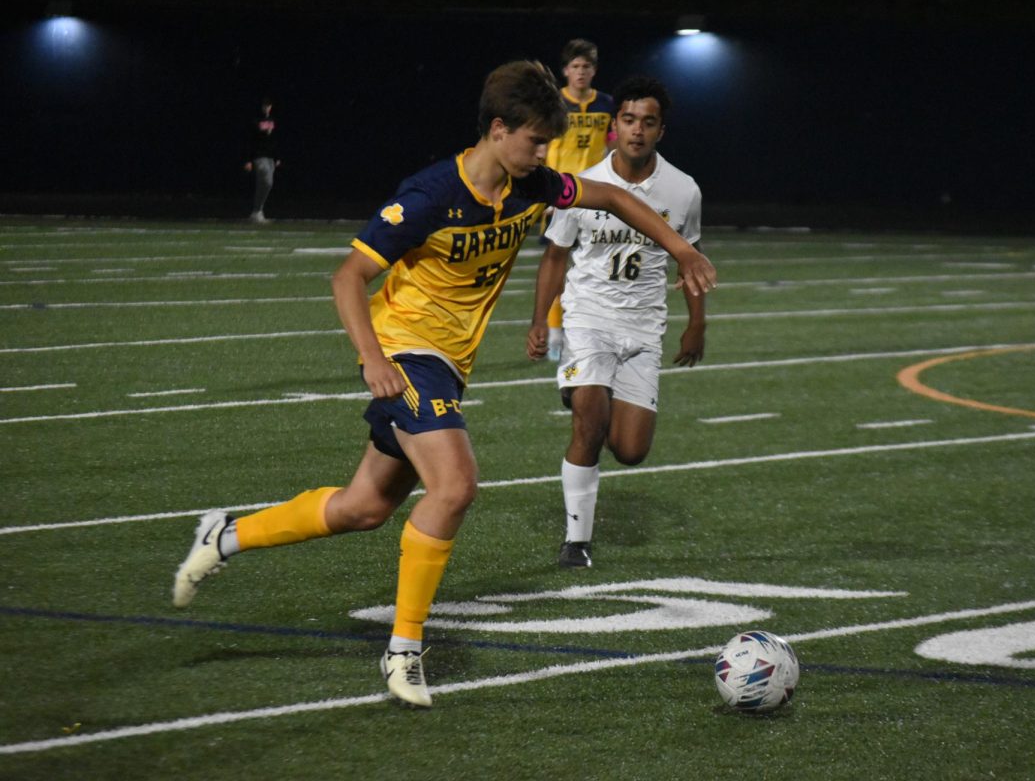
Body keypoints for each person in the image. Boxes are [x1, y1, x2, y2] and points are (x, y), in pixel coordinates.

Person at [173, 61, 716, 708]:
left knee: (363, 508)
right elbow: (348, 277)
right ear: (498, 129)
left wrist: (680, 250)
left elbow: (618, 199)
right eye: (535, 141)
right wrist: (373, 358)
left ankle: (225, 535)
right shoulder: (431, 195)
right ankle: (404, 650)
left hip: (449, 366)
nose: (543, 154)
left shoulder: (529, 184)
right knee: (455, 487)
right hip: (407, 354)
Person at [526, 76, 704, 570]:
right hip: (588, 319)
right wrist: (541, 320)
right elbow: (555, 256)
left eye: (648, 122)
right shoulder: (583, 183)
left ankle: (591, 399)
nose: (637, 131)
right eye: (628, 120)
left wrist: (697, 323)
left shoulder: (683, 189)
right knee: (589, 422)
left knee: (629, 450)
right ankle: (575, 542)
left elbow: (691, 257)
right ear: (614, 126)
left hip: (644, 327)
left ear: (661, 130)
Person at [541, 39, 617, 361]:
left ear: (594, 70)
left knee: (595, 267)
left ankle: (592, 331)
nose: (581, 72)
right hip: (560, 196)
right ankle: (555, 334)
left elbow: (612, 145)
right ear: (565, 70)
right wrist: (543, 191)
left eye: (586, 66)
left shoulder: (607, 104)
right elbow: (541, 147)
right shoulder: (553, 103)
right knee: (557, 267)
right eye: (575, 66)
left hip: (595, 196)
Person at [244, 96, 280, 223]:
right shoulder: (256, 120)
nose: (266, 107)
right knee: (267, 181)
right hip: (259, 156)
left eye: (268, 105)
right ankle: (257, 211)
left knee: (264, 185)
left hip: (270, 157)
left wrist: (277, 157)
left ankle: (257, 211)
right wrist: (248, 160)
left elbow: (275, 140)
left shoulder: (273, 120)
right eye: (264, 105)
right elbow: (250, 140)